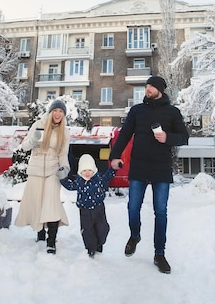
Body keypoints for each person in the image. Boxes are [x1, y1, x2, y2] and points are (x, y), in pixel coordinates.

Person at [109, 75, 189, 274]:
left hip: (161, 168)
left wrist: (167, 137)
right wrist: (114, 156)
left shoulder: (172, 112)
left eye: (151, 86)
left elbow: (184, 137)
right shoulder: (137, 111)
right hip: (139, 166)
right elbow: (125, 134)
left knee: (160, 211)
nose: (147, 89)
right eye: (146, 86)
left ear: (160, 89)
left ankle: (159, 254)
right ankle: (135, 235)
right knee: (132, 206)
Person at [14, 99, 71, 254]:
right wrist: (34, 139)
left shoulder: (64, 132)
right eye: (56, 111)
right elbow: (25, 147)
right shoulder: (38, 125)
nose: (58, 114)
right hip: (36, 169)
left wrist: (64, 168)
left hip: (53, 170)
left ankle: (51, 241)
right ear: (50, 112)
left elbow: (63, 154)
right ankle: (40, 232)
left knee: (51, 204)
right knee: (37, 202)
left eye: (61, 112)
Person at [60, 154, 116, 258]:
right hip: (85, 210)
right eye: (84, 170)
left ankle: (100, 242)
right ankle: (91, 248)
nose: (87, 173)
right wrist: (62, 177)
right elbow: (69, 185)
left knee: (102, 228)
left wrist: (114, 168)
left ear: (94, 170)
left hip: (99, 209)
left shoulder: (99, 180)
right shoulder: (79, 182)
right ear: (80, 171)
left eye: (89, 170)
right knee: (87, 231)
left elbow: (108, 176)